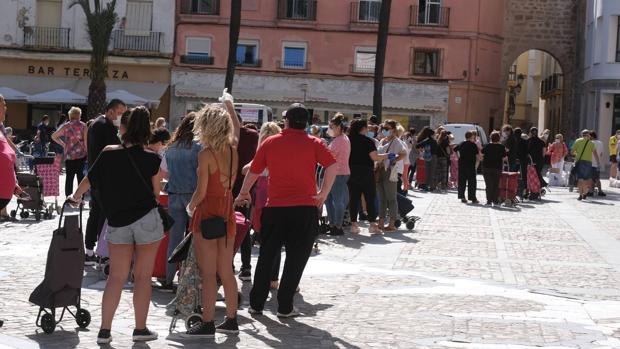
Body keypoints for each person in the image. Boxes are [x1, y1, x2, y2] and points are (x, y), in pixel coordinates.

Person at [69, 106, 163, 344]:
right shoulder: (154, 158)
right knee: (143, 277)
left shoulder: (109, 152)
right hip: (146, 221)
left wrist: (76, 197)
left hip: (118, 221)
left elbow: (89, 178)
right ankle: (140, 329)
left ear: (125, 128)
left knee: (116, 277)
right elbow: (156, 194)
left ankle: (104, 330)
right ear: (147, 131)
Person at [235, 103, 337, 318]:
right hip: (305, 208)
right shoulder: (314, 142)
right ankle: (285, 306)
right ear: (306, 124)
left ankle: (256, 304)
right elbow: (332, 165)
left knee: (266, 256)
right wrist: (324, 192)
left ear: (287, 121)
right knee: (296, 260)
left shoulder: (271, 142)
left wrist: (244, 192)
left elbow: (253, 171)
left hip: (276, 209)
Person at [183, 89, 241, 337]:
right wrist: (229, 103)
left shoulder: (206, 154)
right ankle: (231, 319)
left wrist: (190, 207)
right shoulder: (233, 150)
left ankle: (207, 323)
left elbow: (202, 191)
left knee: (208, 273)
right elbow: (236, 127)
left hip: (207, 213)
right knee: (226, 271)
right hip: (227, 211)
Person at [84, 99, 127, 265]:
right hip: (105, 178)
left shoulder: (96, 123)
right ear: (110, 111)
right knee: (103, 216)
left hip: (96, 176)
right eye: (120, 113)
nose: (121, 117)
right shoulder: (106, 126)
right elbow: (117, 151)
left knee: (95, 214)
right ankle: (102, 254)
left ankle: (89, 251)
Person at [162, 114, 202, 290]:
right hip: (193, 196)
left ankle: (169, 278)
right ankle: (189, 280)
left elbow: (164, 173)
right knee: (195, 240)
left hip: (174, 194)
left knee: (174, 239)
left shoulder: (170, 148)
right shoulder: (199, 147)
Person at [244, 122, 282, 289]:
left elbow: (246, 169)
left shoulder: (261, 151)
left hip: (261, 200)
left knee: (265, 241)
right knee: (277, 241)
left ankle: (264, 277)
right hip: (278, 198)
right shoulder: (281, 151)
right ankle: (273, 279)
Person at [347, 118, 386, 235]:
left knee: (353, 198)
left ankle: (353, 224)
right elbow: (375, 157)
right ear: (363, 129)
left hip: (351, 171)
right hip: (366, 172)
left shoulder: (348, 140)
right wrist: (387, 156)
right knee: (370, 198)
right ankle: (372, 225)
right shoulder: (368, 141)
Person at [233, 115, 259, 283]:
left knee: (228, 230)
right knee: (244, 228)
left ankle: (228, 265)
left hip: (229, 189)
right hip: (249, 187)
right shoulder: (254, 136)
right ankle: (246, 267)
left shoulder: (227, 136)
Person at [376, 120, 407, 232]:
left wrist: (394, 160)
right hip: (380, 170)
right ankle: (380, 222)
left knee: (392, 198)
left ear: (393, 129)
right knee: (382, 198)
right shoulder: (382, 140)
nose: (384, 130)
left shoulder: (396, 141)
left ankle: (392, 224)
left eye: (387, 128)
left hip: (390, 171)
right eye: (384, 127)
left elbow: (404, 153)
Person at [51, 107, 87, 197]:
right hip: (81, 155)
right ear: (79, 115)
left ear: (70, 115)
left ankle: (68, 197)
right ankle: (80, 198)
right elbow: (86, 141)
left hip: (69, 155)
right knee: (80, 177)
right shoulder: (83, 125)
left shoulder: (66, 126)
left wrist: (63, 144)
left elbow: (54, 136)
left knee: (69, 178)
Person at [325, 113, 350, 236]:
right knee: (329, 200)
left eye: (332, 126)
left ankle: (337, 225)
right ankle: (332, 223)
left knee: (337, 200)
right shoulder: (340, 139)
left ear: (339, 127)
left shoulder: (341, 140)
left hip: (339, 173)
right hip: (336, 173)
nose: (330, 129)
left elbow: (329, 155)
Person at [571, 129, 600, 201]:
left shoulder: (577, 141)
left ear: (581, 134)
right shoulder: (591, 143)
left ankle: (580, 194)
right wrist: (598, 162)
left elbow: (572, 152)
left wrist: (577, 154)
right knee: (586, 180)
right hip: (588, 163)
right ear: (588, 135)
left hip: (579, 162)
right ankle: (585, 193)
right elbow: (595, 154)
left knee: (580, 179)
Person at [481, 131, 507, 206]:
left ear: (491, 138)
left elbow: (481, 154)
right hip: (497, 167)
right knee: (496, 184)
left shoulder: (487, 146)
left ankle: (489, 201)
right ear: (498, 138)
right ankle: (495, 201)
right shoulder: (501, 147)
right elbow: (505, 158)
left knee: (488, 184)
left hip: (487, 167)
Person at [454, 131, 479, 204]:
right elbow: (477, 156)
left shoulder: (461, 143)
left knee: (462, 181)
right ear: (471, 137)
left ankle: (462, 196)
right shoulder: (473, 145)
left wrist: (458, 157)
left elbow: (455, 149)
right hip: (470, 165)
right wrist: (479, 160)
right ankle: (472, 198)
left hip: (462, 165)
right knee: (472, 182)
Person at [416, 127, 439, 191]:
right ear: (432, 134)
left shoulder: (426, 140)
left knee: (427, 172)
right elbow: (437, 149)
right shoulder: (434, 141)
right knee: (432, 172)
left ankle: (426, 186)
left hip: (426, 157)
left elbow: (417, 145)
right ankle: (431, 186)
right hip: (433, 157)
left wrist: (422, 149)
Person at [589, 131, 606, 197]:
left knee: (590, 178)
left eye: (589, 136)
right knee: (597, 178)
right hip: (597, 163)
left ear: (592, 136)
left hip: (590, 163)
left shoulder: (590, 143)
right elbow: (601, 154)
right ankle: (600, 191)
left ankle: (591, 191)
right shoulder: (600, 143)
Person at [514, 128, 528, 196]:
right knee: (524, 175)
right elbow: (527, 151)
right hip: (523, 160)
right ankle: (524, 190)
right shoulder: (524, 141)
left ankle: (513, 188)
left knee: (513, 174)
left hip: (514, 160)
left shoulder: (513, 141)